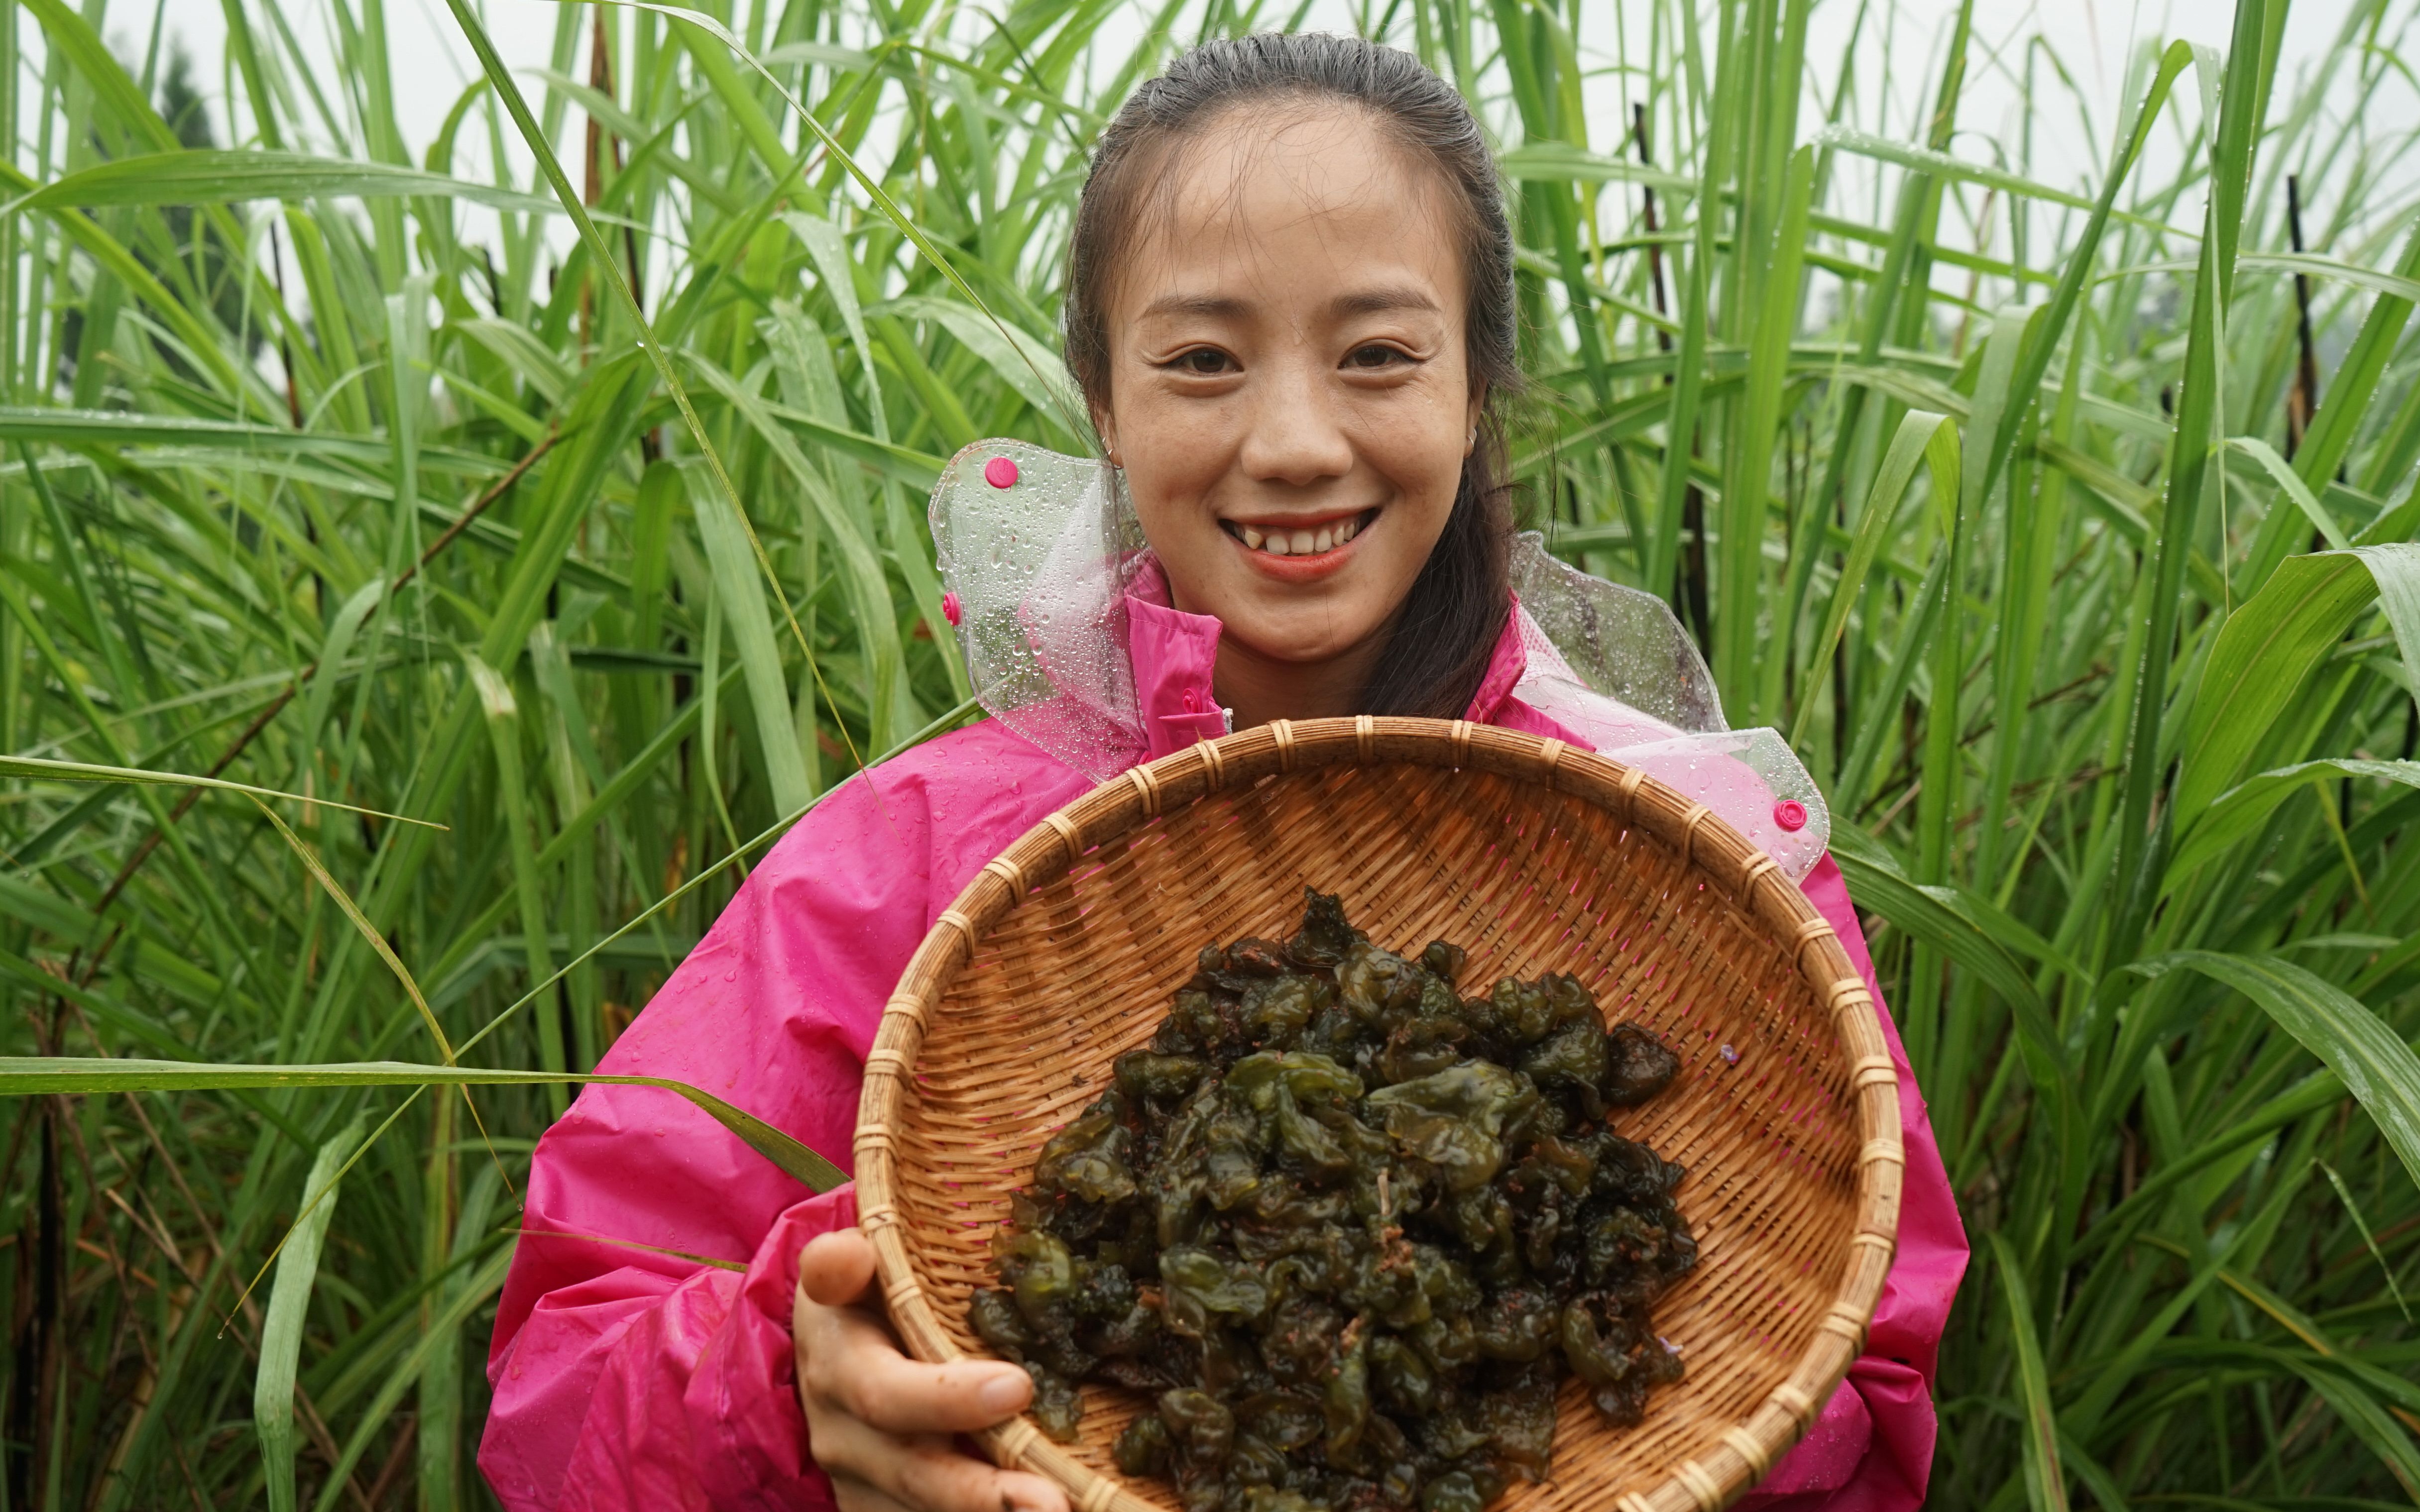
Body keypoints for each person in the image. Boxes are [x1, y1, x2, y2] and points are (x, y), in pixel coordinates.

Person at [480, 33, 1966, 1512]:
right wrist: (783, 1393)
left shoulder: (1693, 852)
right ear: (1104, 404)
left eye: (1381, 354)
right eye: (1201, 361)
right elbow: (558, 1403)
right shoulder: (903, 864)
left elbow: (1873, 1388)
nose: (1295, 443)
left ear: (1477, 389)